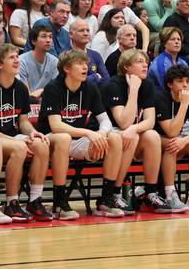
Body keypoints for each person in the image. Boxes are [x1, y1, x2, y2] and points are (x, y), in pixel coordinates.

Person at [38, 49, 125, 217]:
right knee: (63, 138)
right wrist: (88, 133)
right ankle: (59, 202)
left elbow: (105, 121)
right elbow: (56, 126)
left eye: (86, 64)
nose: (85, 67)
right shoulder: (53, 88)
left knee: (114, 137)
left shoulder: (90, 88)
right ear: (67, 69)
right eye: (80, 64)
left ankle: (105, 200)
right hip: (50, 142)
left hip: (76, 141)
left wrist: (100, 133)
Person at [0, 44, 53, 221]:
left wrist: (33, 132)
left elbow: (23, 122)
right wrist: (15, 142)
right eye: (11, 57)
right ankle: (11, 203)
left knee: (41, 144)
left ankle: (34, 200)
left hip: (11, 137)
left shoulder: (20, 88)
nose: (17, 60)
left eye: (17, 57)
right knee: (19, 148)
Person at [101, 49, 171, 214]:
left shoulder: (146, 84)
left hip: (131, 133)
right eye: (139, 61)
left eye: (146, 61)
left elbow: (150, 120)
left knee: (153, 135)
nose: (145, 64)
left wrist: (134, 128)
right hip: (112, 136)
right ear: (126, 67)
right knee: (129, 136)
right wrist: (133, 90)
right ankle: (115, 193)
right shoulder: (114, 84)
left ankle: (151, 193)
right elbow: (123, 122)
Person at [154, 65, 189, 212]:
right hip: (155, 141)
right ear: (169, 84)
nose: (185, 85)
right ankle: (170, 194)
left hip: (177, 140)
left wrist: (185, 140)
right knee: (172, 143)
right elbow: (171, 131)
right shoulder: (160, 98)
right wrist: (183, 105)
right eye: (180, 81)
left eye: (187, 81)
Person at [17, 26, 59, 100]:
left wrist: (42, 91)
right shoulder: (21, 61)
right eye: (44, 36)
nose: (48, 40)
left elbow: (55, 90)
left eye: (50, 37)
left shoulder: (54, 61)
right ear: (33, 41)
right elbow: (26, 94)